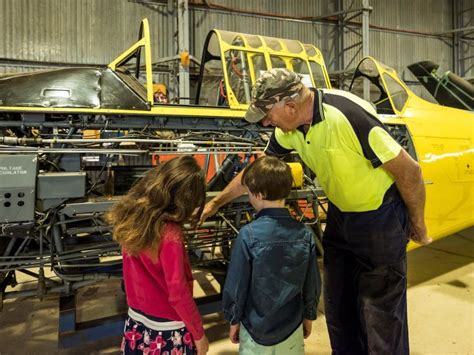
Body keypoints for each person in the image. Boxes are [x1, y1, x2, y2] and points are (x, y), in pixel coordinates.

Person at [201, 68, 432, 354]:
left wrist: (417, 223)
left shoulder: (347, 116)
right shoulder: (289, 129)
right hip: (341, 215)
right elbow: (256, 173)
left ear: (291, 106)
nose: (265, 121)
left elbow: (410, 171)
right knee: (338, 307)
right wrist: (215, 202)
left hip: (379, 218)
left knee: (381, 313)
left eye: (267, 114)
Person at [108, 155, 209, 355]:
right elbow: (178, 293)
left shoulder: (134, 217)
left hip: (137, 320)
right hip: (167, 331)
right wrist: (199, 334)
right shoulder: (170, 234)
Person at [222, 156, 321, 355]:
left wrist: (234, 320)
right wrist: (309, 315)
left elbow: (237, 285)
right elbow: (312, 282)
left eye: (249, 192)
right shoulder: (304, 233)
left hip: (255, 329)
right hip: (291, 328)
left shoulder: (248, 235)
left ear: (259, 194)